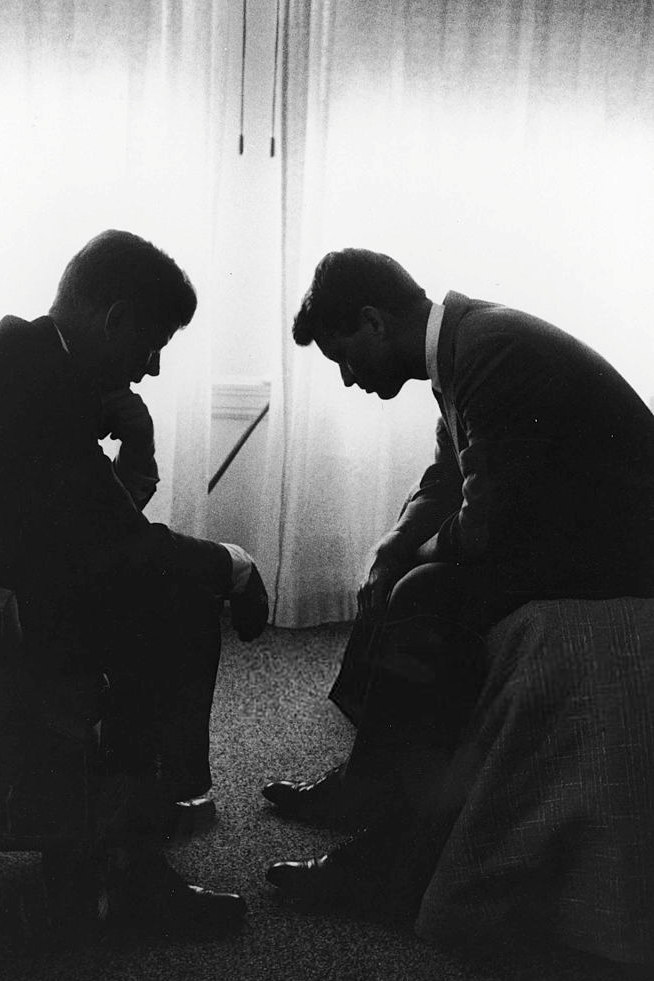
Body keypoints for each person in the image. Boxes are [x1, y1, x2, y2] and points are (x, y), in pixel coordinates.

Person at [0, 229, 269, 933]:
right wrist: (232, 564)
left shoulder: (26, 369)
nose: (149, 369)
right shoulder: (31, 394)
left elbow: (91, 530)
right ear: (114, 319)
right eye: (153, 345)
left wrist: (137, 446)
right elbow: (113, 547)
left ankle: (134, 828)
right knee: (172, 595)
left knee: (162, 585)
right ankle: (134, 862)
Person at [263, 247, 654, 907]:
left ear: (373, 321)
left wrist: (414, 561)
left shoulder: (493, 353)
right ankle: (366, 780)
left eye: (344, 358)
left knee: (422, 594)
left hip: (622, 550)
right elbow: (449, 477)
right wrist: (394, 544)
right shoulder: (468, 345)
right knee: (396, 572)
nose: (349, 380)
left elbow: (490, 522)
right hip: (573, 529)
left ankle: (387, 860)